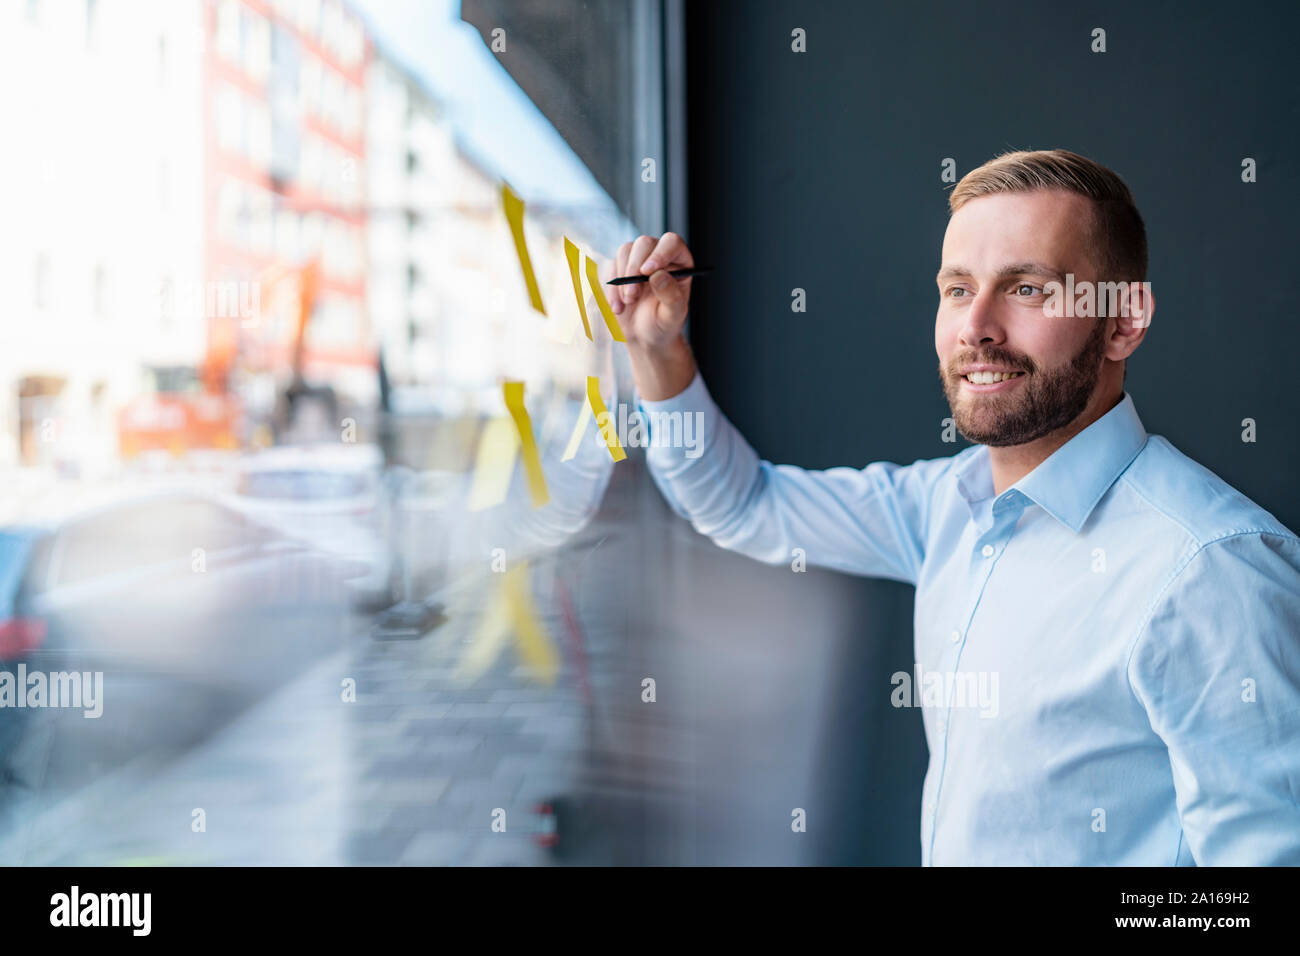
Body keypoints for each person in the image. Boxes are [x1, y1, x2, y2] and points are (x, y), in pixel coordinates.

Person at [606, 148, 1300, 865]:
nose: (977, 327)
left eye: (1028, 289)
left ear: (1124, 321)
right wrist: (656, 351)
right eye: (958, 289)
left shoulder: (1211, 570)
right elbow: (741, 504)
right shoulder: (949, 506)